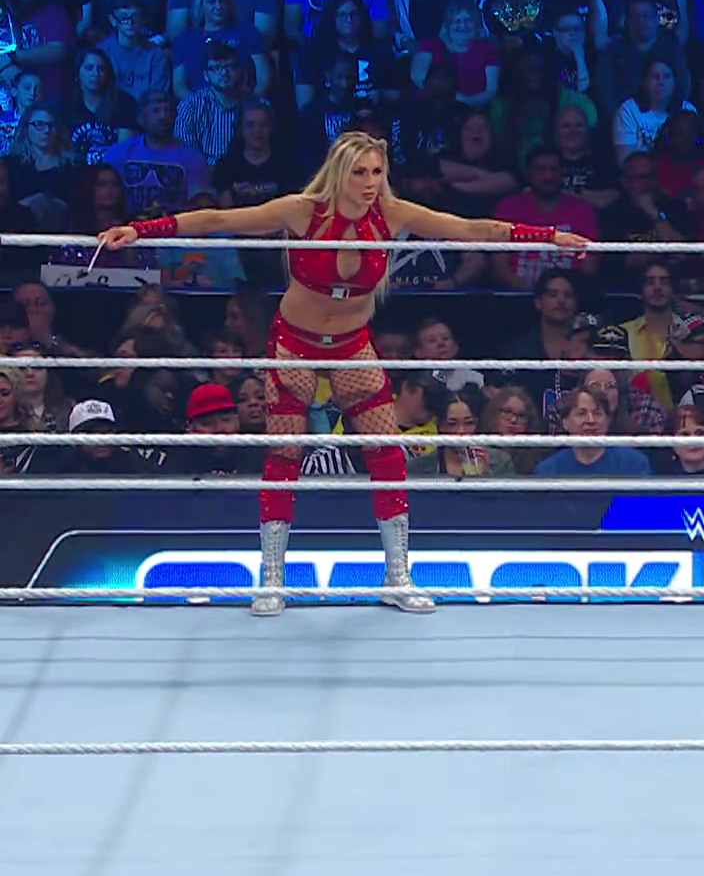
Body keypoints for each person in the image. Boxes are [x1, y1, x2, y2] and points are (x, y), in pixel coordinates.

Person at [97, 131, 590, 618]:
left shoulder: (392, 214)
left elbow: (472, 229)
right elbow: (218, 219)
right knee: (285, 456)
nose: (370, 182)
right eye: (359, 172)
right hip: (295, 343)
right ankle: (272, 577)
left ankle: (397, 575)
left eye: (377, 171)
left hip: (353, 345)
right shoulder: (303, 211)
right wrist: (141, 230)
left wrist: (549, 237)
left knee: (388, 454)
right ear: (339, 172)